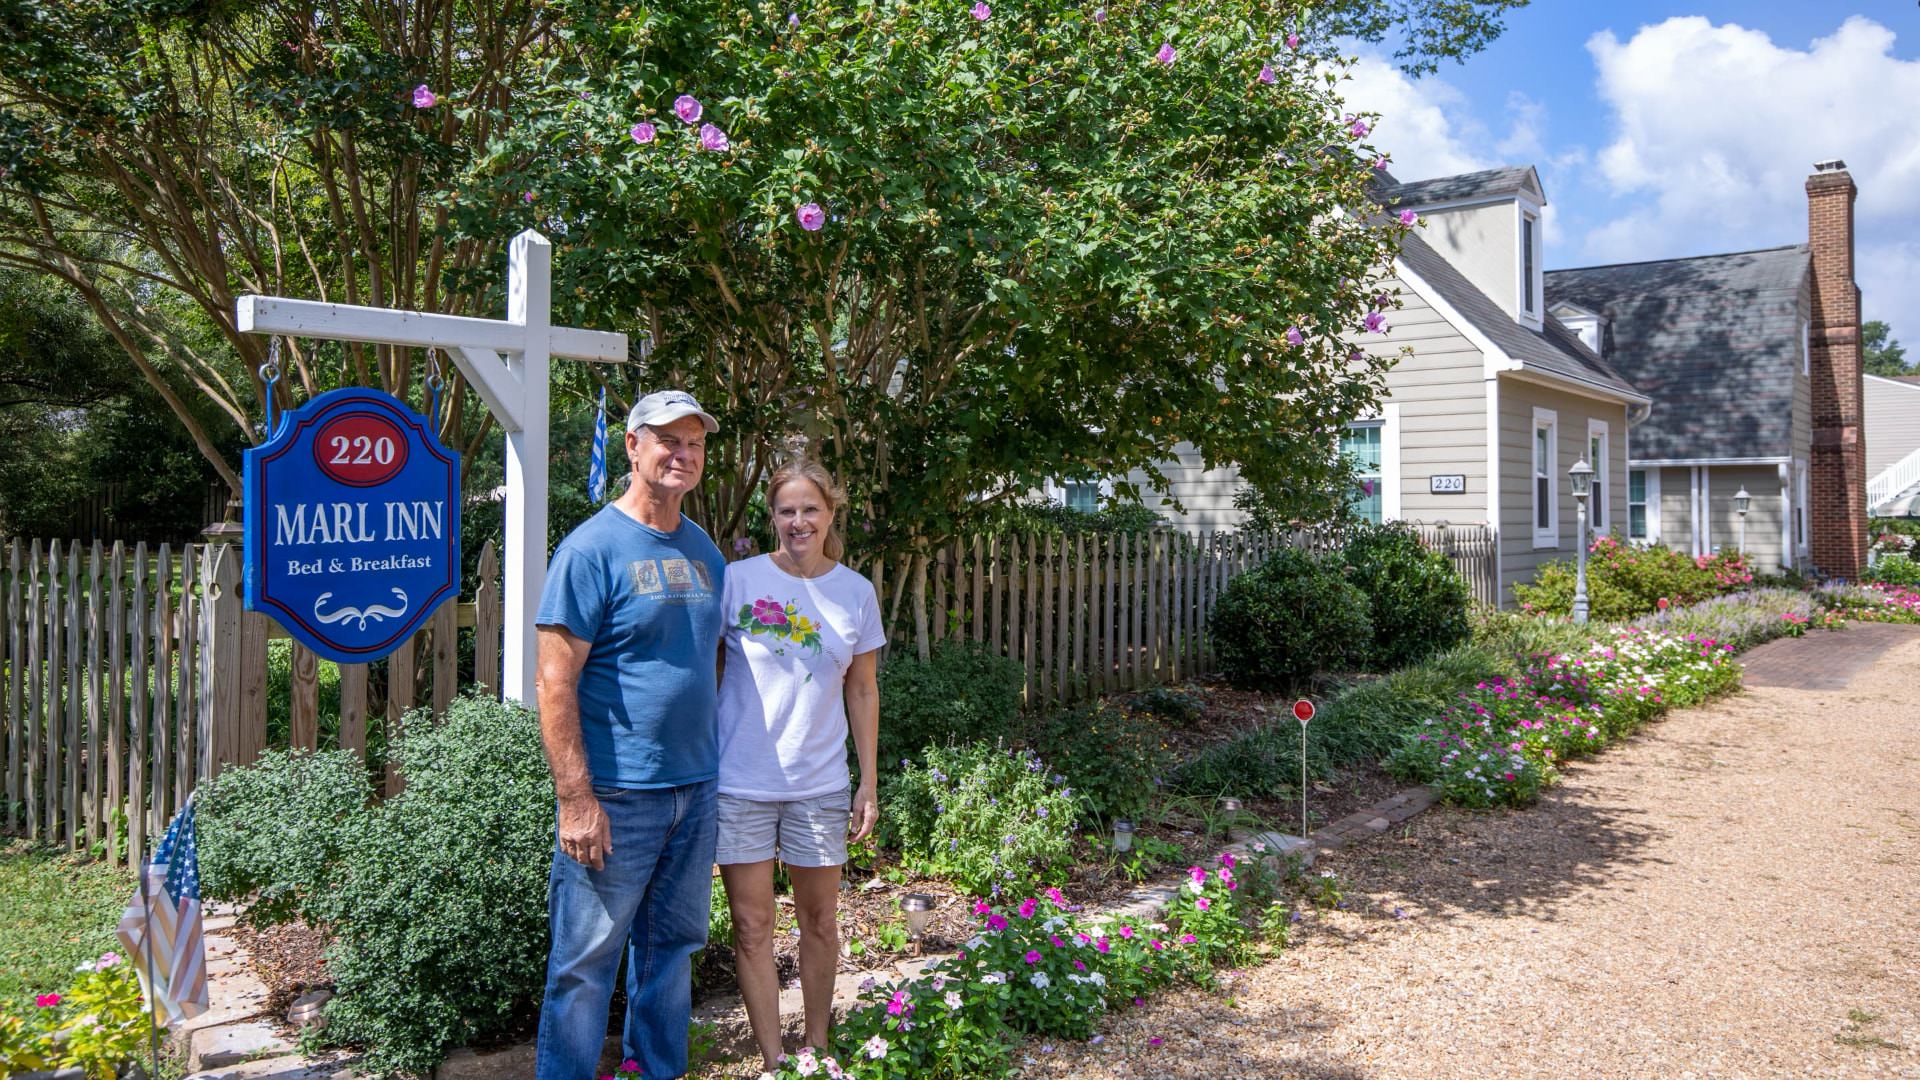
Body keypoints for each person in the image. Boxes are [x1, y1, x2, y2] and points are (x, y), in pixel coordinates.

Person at [533, 390, 728, 1080]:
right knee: (584, 966)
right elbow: (555, 682)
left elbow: (710, 657)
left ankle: (658, 1072)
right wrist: (575, 799)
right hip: (617, 795)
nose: (683, 455)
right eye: (668, 441)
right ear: (633, 447)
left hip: (695, 789)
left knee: (673, 952)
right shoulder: (590, 551)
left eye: (695, 444)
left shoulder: (704, 550)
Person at [715, 460, 884, 1074]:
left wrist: (867, 780)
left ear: (830, 514)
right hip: (741, 782)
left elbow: (862, 691)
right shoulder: (736, 580)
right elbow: (708, 670)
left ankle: (818, 1050)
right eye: (786, 510)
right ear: (773, 518)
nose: (798, 521)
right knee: (752, 928)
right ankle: (773, 1061)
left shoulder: (855, 592)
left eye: (810, 509)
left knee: (819, 920)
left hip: (819, 785)